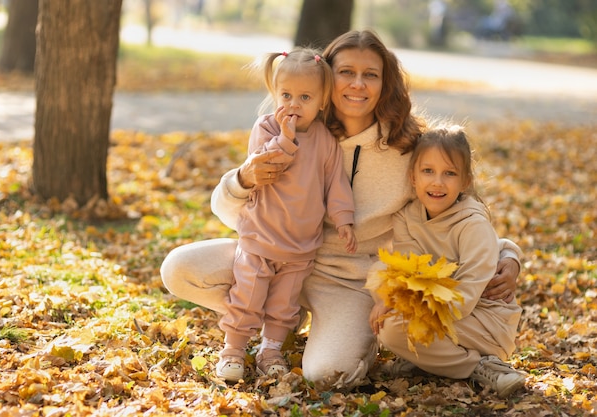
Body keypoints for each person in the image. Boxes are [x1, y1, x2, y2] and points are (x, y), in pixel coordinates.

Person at [160, 29, 521, 390]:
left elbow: (457, 204)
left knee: (327, 376)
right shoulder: (293, 128)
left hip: (351, 284)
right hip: (274, 255)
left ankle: (328, 331)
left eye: (371, 75)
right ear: (326, 79)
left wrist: (507, 253)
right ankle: (278, 316)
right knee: (179, 269)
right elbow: (229, 213)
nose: (358, 84)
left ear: (385, 83)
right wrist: (243, 178)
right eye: (347, 72)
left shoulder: (408, 147)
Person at [215, 48, 357, 383]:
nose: (293, 105)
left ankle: (271, 350)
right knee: (246, 297)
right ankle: (233, 350)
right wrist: (286, 138)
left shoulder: (325, 141)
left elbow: (336, 184)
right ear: (275, 95)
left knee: (284, 306)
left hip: (300, 247)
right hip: (260, 238)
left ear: (323, 102)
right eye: (286, 95)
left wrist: (344, 218)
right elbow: (267, 163)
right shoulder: (266, 128)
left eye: (305, 97)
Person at [368, 124, 525, 398]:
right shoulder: (406, 217)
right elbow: (407, 271)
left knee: (394, 328)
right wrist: (390, 299)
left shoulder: (472, 224)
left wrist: (410, 315)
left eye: (449, 173)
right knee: (384, 300)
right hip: (438, 310)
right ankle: (429, 358)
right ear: (413, 177)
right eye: (428, 171)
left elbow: (464, 300)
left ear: (465, 181)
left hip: (482, 319)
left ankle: (481, 364)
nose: (437, 182)